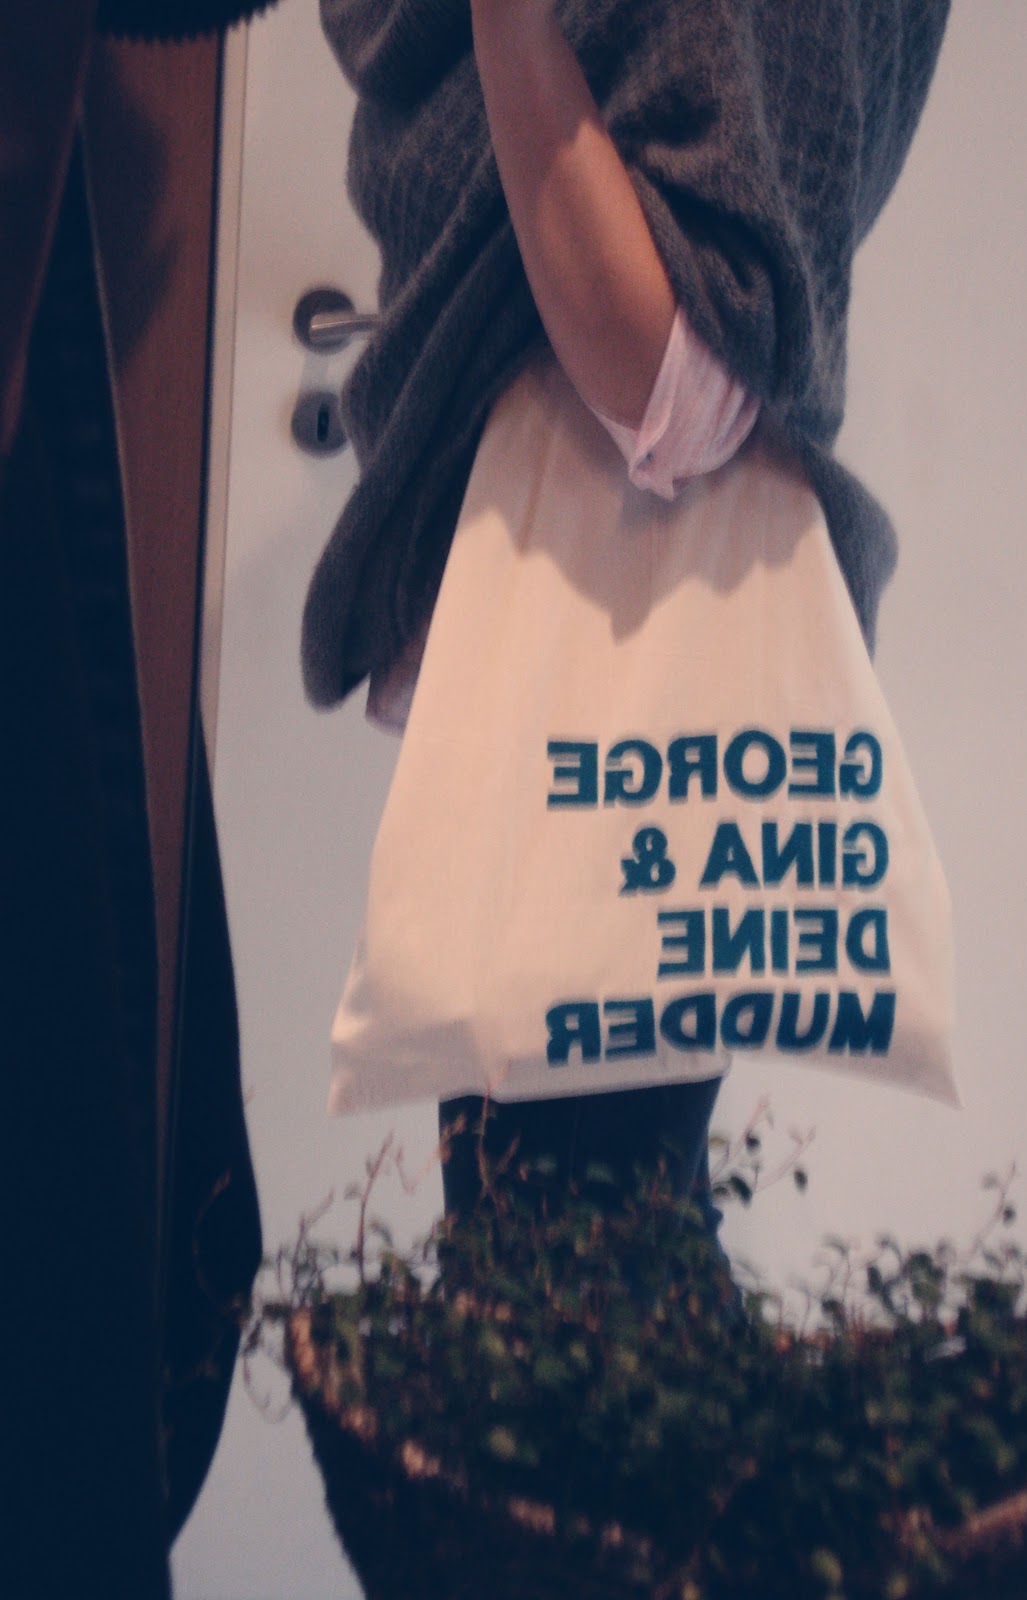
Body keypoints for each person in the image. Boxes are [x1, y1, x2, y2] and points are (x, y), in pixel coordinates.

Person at [306, 0, 952, 1227]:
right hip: (536, 603)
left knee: (559, 1241)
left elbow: (677, 384)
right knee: (549, 1225)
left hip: (620, 605)